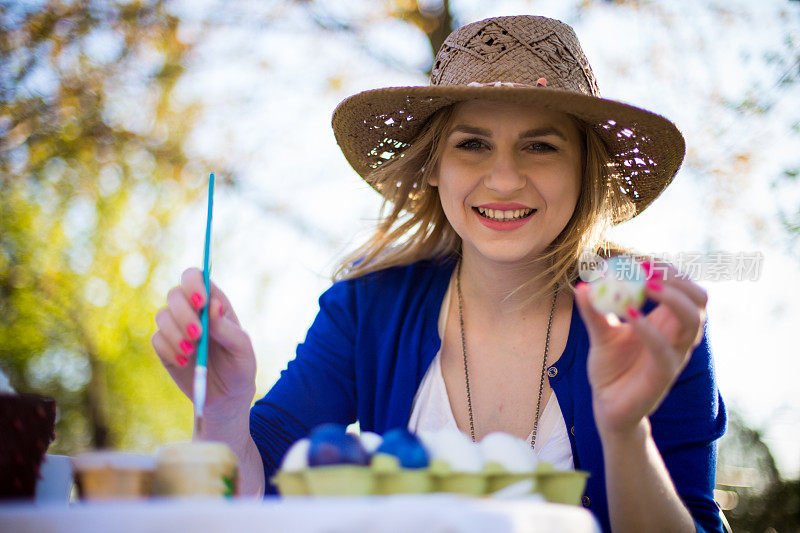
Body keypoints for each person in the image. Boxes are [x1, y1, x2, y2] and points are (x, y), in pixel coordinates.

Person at [152, 15, 726, 532]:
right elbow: (254, 500)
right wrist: (223, 412)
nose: (504, 180)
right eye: (472, 144)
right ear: (433, 165)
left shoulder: (646, 318)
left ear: (584, 170)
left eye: (541, 147)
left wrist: (627, 434)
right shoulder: (369, 308)